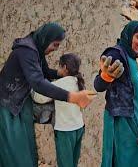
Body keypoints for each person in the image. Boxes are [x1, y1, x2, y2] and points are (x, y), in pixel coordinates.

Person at [0, 22, 94, 167]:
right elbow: (38, 82)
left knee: (27, 147)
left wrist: (59, 74)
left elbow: (43, 72)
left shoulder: (37, 49)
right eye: (55, 45)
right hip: (7, 102)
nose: (55, 49)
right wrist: (72, 97)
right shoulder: (27, 51)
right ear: (46, 38)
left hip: (21, 101)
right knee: (15, 150)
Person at [94, 21, 138, 167]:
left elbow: (127, 80)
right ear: (129, 34)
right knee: (126, 160)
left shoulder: (130, 55)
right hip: (124, 122)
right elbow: (98, 85)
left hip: (137, 117)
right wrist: (105, 76)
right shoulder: (115, 53)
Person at [32, 53, 87, 167]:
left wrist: (34, 87)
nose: (58, 69)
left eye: (59, 66)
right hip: (79, 128)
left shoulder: (60, 84)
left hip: (65, 131)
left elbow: (40, 98)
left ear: (65, 68)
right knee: (73, 163)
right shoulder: (79, 82)